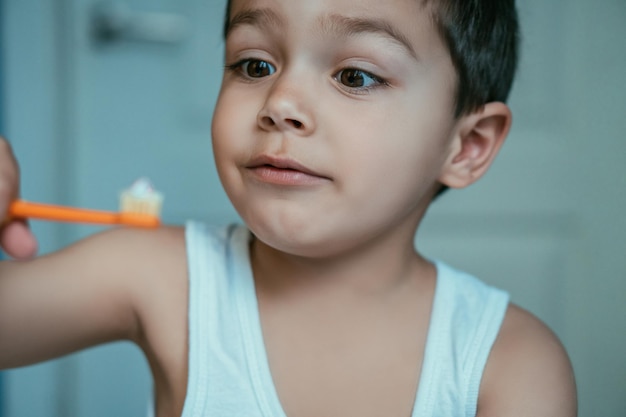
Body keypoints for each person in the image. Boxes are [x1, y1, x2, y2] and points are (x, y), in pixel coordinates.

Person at [0, 0, 577, 416]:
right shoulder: (154, 277)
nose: (280, 104)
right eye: (255, 65)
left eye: (355, 75)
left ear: (466, 146)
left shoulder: (509, 363)